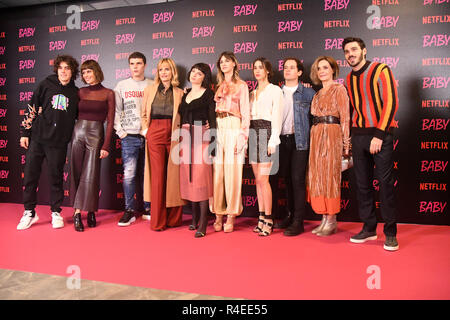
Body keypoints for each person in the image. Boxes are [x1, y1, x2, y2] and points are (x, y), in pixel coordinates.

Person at [342, 37, 399, 251]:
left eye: (354, 49)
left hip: (380, 136)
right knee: (362, 185)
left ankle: (391, 233)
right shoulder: (348, 78)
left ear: (364, 51)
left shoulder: (380, 69)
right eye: (347, 51)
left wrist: (379, 134)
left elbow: (391, 102)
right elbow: (354, 110)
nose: (350, 54)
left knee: (384, 185)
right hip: (358, 136)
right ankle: (369, 228)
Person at [17, 55, 79, 230]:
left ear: (72, 71)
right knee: (30, 176)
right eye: (61, 68)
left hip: (58, 142)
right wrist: (25, 132)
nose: (63, 71)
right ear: (57, 69)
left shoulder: (75, 93)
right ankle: (29, 212)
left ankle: (55, 212)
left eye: (67, 68)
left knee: (56, 177)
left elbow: (78, 118)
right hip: (38, 138)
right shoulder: (46, 84)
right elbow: (32, 107)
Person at [307, 56, 350, 236]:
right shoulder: (317, 94)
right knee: (318, 176)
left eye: (325, 67)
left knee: (330, 177)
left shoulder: (339, 89)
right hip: (316, 136)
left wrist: (346, 144)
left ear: (333, 69)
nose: (322, 71)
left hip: (332, 134)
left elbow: (345, 117)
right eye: (319, 69)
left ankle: (332, 219)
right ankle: (324, 218)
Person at [70, 60, 115, 232]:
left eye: (89, 71)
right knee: (76, 172)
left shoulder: (108, 93)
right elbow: (71, 115)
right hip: (78, 133)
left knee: (91, 175)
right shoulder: (80, 92)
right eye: (84, 72)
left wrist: (106, 145)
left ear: (96, 71)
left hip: (96, 135)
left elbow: (110, 122)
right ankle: (76, 213)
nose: (86, 75)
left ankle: (91, 211)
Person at [141, 58, 185, 231]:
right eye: (161, 70)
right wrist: (146, 131)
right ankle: (158, 221)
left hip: (175, 134)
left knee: (174, 178)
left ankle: (174, 220)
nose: (164, 73)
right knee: (158, 177)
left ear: (173, 71)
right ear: (157, 72)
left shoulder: (180, 92)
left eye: (167, 69)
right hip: (155, 133)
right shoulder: (149, 90)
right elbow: (144, 113)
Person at [275, 57, 315, 236]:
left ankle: (299, 221)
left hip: (300, 141)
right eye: (285, 67)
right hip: (281, 141)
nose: (288, 70)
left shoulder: (308, 93)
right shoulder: (276, 92)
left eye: (292, 68)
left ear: (299, 72)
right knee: (287, 180)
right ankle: (290, 216)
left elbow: (314, 120)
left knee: (298, 180)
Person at [211, 51, 250, 233]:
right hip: (218, 125)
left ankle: (231, 215)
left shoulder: (242, 86)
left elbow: (246, 114)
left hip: (234, 124)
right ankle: (218, 213)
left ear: (234, 63)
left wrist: (243, 137)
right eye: (222, 62)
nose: (224, 64)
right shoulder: (218, 86)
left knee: (233, 173)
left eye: (227, 61)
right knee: (217, 173)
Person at [114, 52, 153, 227]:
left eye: (138, 63)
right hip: (129, 136)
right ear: (129, 66)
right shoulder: (121, 86)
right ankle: (129, 211)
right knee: (129, 175)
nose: (135, 66)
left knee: (148, 174)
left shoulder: (152, 84)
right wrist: (120, 131)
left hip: (149, 135)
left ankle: (148, 208)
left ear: (145, 65)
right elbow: (115, 110)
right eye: (132, 63)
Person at [178, 63, 216, 238]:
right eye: (193, 71)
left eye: (199, 73)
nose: (194, 75)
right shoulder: (184, 94)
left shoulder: (209, 94)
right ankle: (193, 217)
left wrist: (213, 145)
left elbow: (212, 120)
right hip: (185, 138)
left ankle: (203, 222)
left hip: (202, 137)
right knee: (189, 178)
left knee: (201, 179)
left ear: (204, 77)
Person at [249, 57, 283, 237]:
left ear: (268, 70)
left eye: (261, 67)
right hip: (253, 133)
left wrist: (273, 140)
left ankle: (269, 218)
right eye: (255, 68)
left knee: (264, 180)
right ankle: (261, 217)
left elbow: (277, 117)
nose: (257, 71)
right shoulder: (252, 92)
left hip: (267, 133)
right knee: (257, 180)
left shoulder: (275, 90)